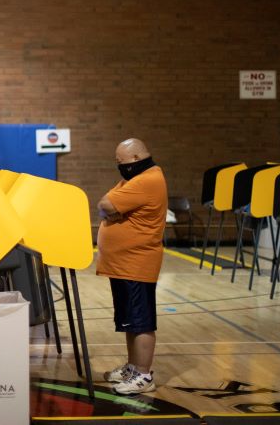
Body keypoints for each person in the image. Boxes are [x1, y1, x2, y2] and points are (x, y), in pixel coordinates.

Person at [96, 138, 167, 395]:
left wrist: (115, 213)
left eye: (121, 161)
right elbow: (106, 202)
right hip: (124, 264)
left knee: (142, 322)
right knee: (129, 322)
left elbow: (105, 205)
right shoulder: (133, 180)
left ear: (135, 158)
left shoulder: (147, 179)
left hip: (137, 263)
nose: (119, 166)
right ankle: (134, 368)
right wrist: (115, 213)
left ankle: (145, 375)